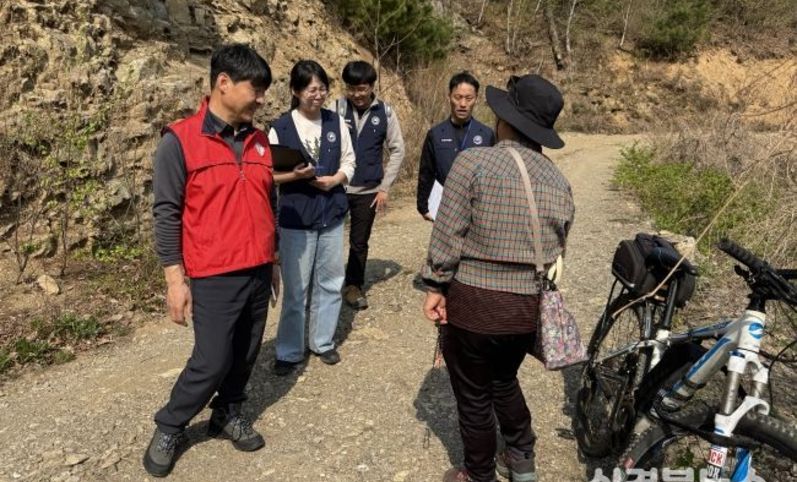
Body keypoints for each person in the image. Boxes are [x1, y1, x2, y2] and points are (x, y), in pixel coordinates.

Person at [421, 74, 575, 482]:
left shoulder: (473, 163)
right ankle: (521, 457)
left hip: (475, 305)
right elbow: (558, 249)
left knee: (474, 394)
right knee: (504, 377)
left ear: (505, 121)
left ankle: (478, 473)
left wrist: (436, 286)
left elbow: (447, 234)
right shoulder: (559, 181)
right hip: (525, 310)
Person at [145, 43, 279, 477]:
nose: (261, 99)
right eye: (255, 89)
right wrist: (174, 279)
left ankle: (229, 412)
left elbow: (267, 201)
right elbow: (166, 211)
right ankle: (171, 423)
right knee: (212, 359)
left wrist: (273, 257)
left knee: (245, 353)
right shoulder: (180, 140)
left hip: (258, 267)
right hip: (213, 273)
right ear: (223, 83)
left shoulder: (260, 140)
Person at [268, 60, 356, 376]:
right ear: (295, 90)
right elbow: (268, 175)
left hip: (331, 214)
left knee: (331, 283)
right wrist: (295, 175)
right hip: (296, 219)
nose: (317, 95)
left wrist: (336, 180)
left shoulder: (336, 123)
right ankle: (290, 351)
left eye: (322, 88)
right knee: (297, 288)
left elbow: (350, 162)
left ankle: (322, 342)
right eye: (310, 89)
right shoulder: (280, 128)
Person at [335, 60, 405, 309]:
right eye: (352, 89)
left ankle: (353, 286)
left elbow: (398, 149)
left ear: (372, 87)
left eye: (362, 89)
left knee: (359, 241)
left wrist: (385, 187)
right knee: (330, 239)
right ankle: (328, 285)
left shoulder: (385, 113)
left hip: (368, 191)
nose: (357, 95)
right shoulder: (336, 109)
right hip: (338, 189)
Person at [416, 71, 495, 221]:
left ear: (476, 99)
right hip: (444, 207)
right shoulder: (435, 134)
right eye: (458, 97)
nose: (463, 104)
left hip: (478, 209)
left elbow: (494, 175)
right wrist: (422, 205)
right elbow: (426, 171)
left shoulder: (486, 134)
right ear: (449, 97)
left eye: (468, 98)